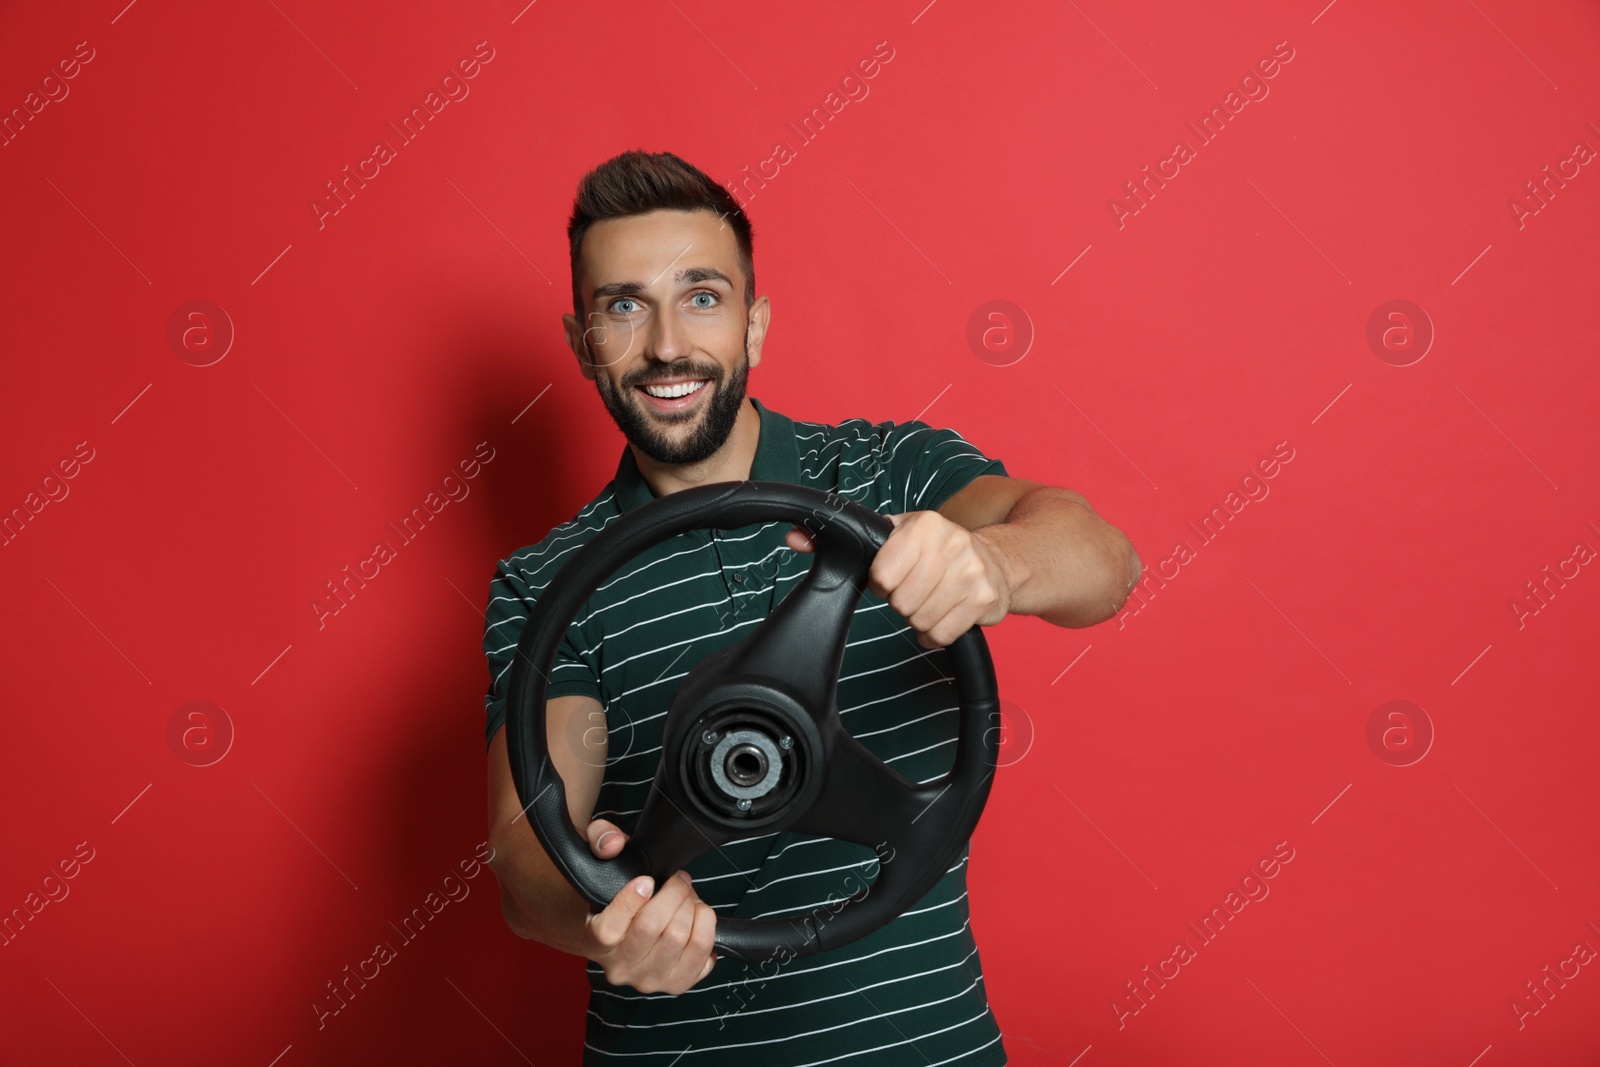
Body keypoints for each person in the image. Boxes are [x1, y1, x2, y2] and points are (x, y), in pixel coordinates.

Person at [483, 150, 1140, 1066]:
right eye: (624, 306)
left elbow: (1104, 561)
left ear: (753, 326)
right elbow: (525, 867)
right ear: (581, 339)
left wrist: (993, 563)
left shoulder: (888, 474)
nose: (667, 343)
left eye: (702, 296)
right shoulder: (548, 580)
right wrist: (605, 917)